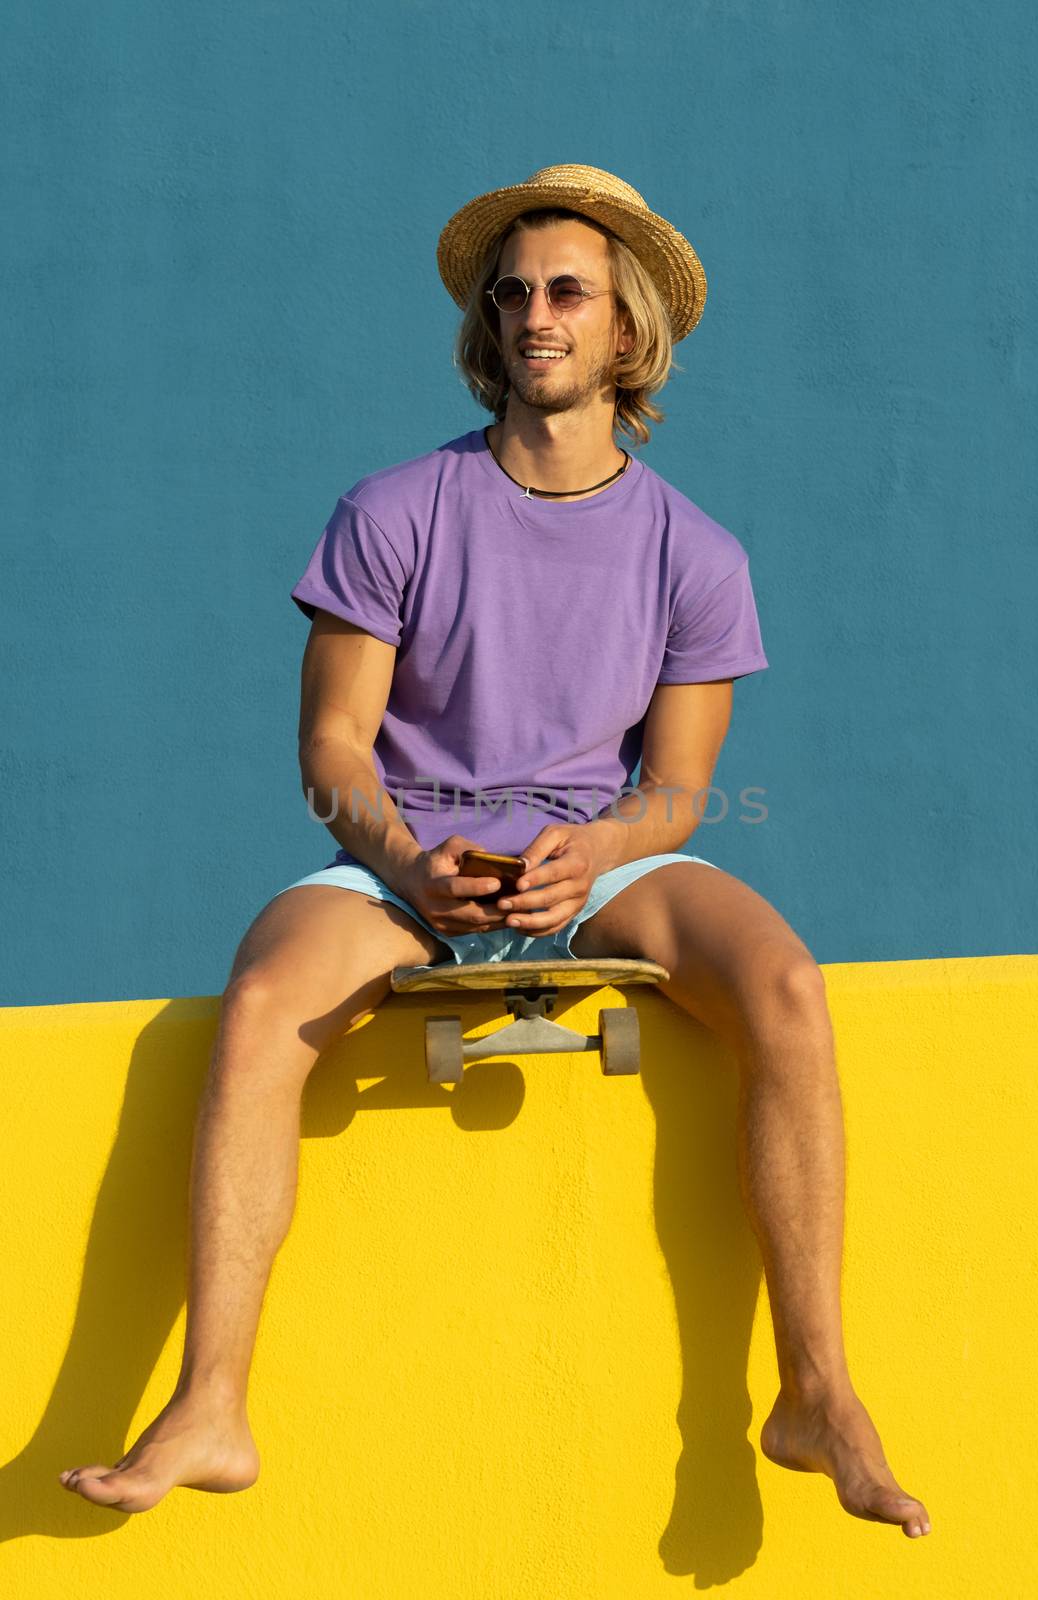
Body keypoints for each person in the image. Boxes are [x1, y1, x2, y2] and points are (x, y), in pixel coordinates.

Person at [58, 164, 931, 1537]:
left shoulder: (696, 552)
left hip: (598, 859)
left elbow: (680, 789)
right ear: (487, 328)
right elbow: (335, 750)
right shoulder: (394, 510)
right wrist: (408, 863)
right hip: (412, 856)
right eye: (512, 292)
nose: (536, 314)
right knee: (271, 987)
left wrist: (594, 856)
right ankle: (210, 1403)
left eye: (567, 292)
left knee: (785, 985)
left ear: (627, 331)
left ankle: (817, 1390)